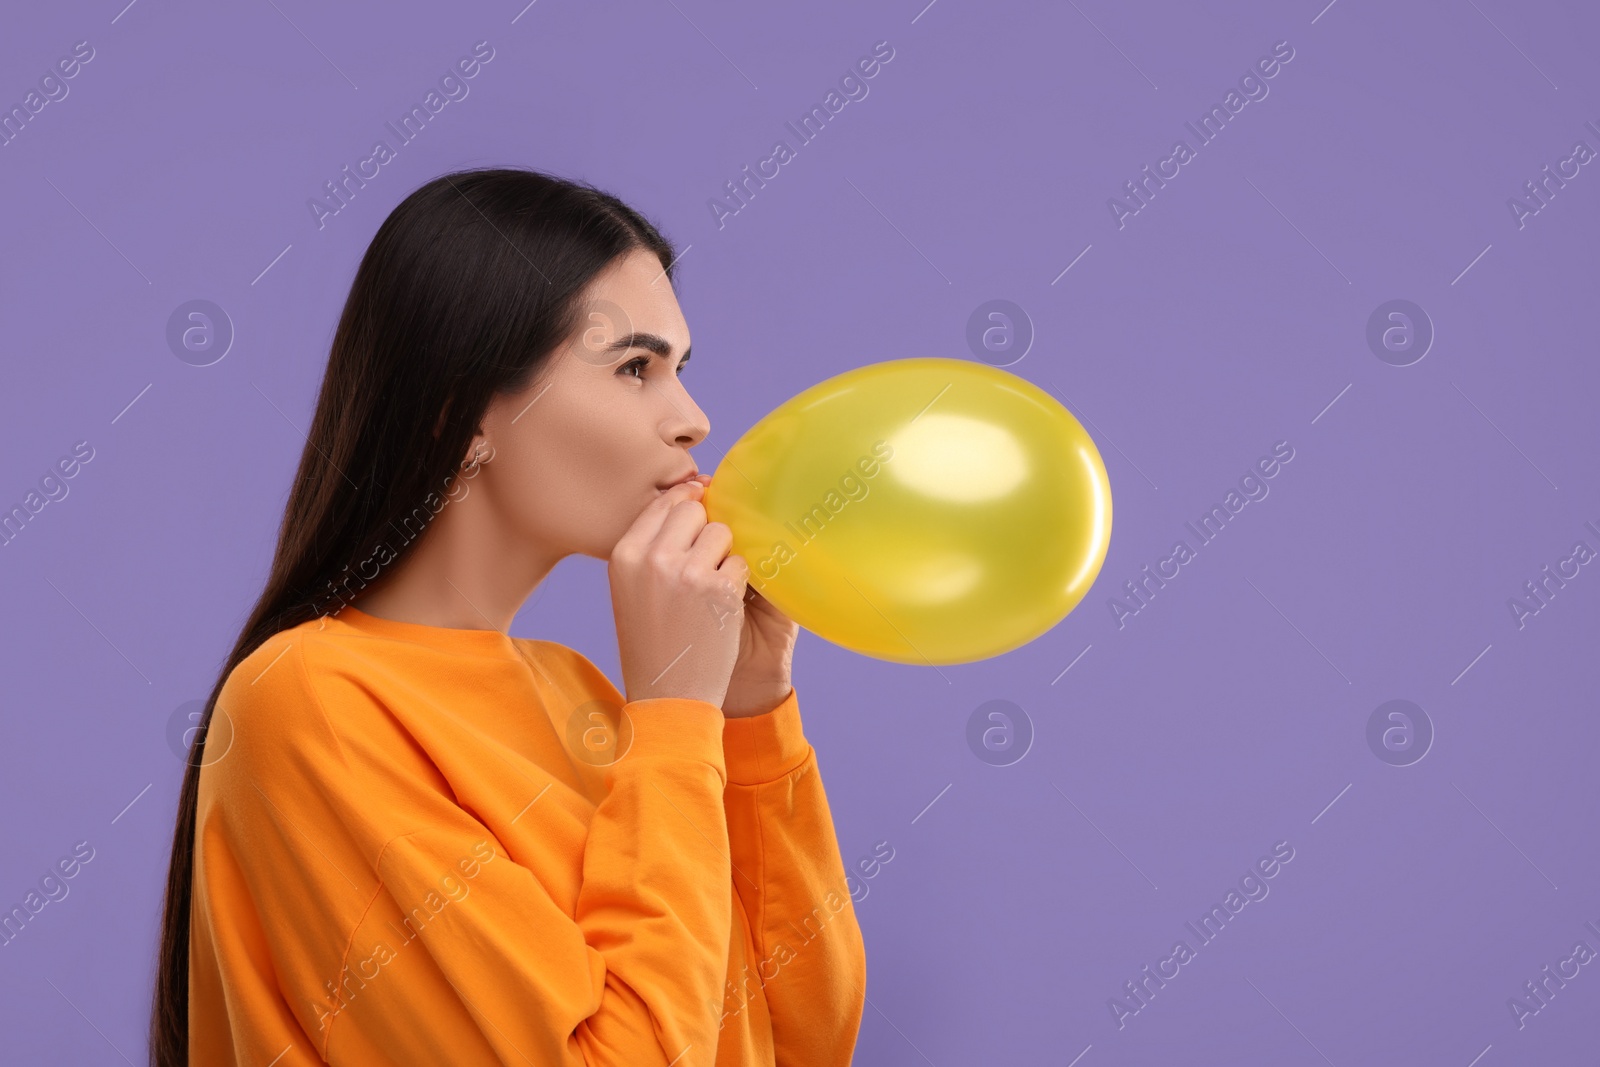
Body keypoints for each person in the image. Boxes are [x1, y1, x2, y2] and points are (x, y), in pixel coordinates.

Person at [147, 168, 867, 1066]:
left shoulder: (587, 696)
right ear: (464, 412)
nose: (692, 419)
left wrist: (747, 707)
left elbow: (800, 1040)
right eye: (636, 366)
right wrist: (678, 719)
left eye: (681, 368)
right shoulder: (309, 704)